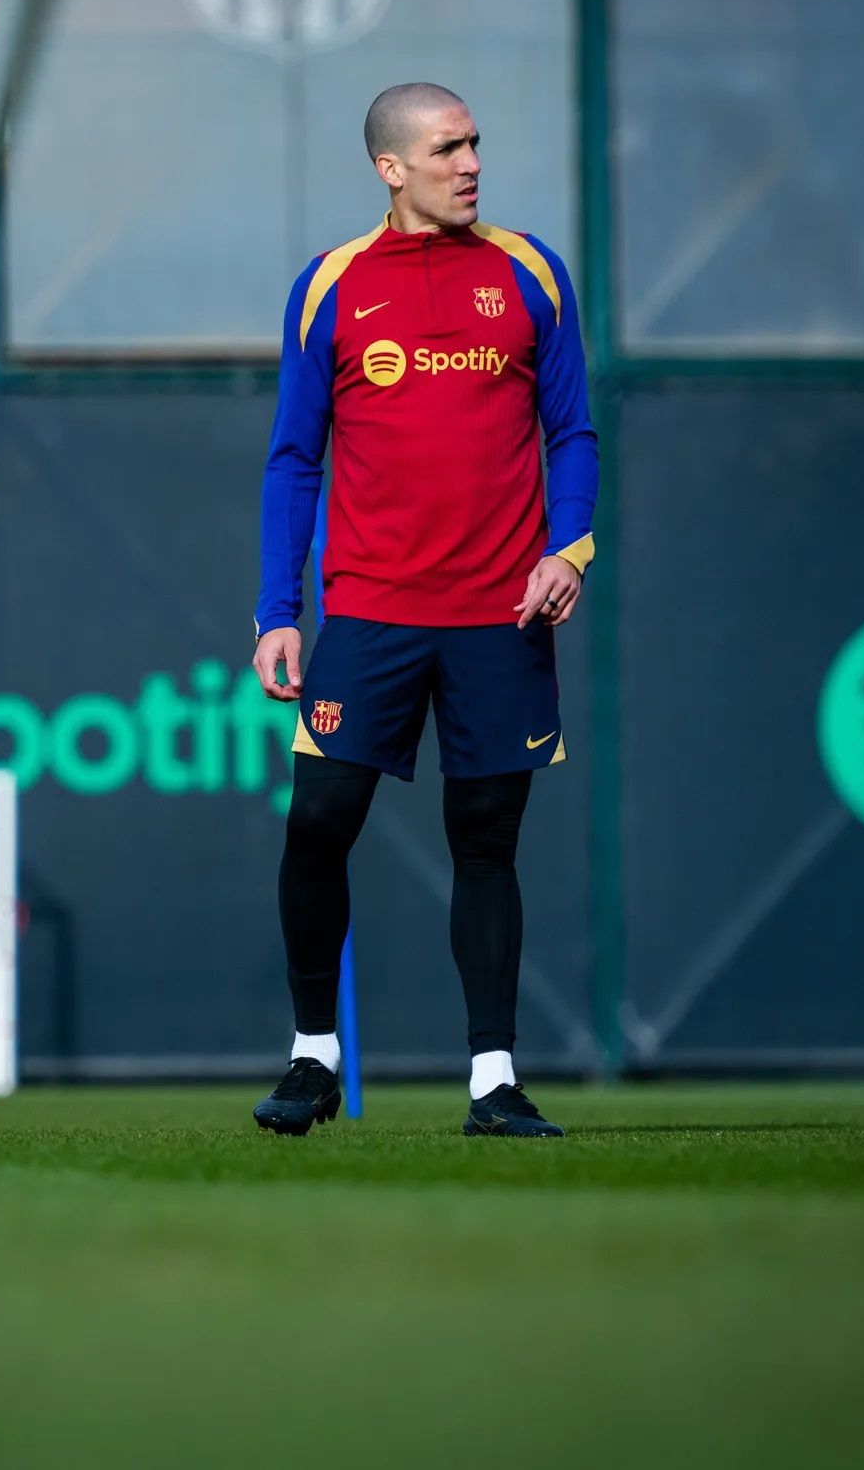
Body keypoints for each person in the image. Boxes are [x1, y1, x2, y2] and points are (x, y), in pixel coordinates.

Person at [248, 82, 597, 1138]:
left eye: (477, 143)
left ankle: (494, 1080)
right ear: (391, 168)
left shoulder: (531, 272)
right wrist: (278, 609)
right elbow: (294, 458)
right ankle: (315, 1061)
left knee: (486, 838)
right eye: (448, 148)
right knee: (318, 823)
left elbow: (573, 433)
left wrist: (568, 549)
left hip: (502, 616)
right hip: (372, 613)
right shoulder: (332, 286)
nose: (472, 163)